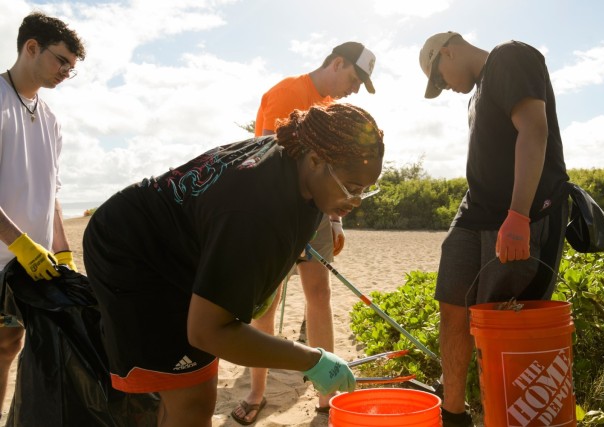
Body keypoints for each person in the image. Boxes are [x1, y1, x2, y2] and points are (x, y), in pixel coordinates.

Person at [82, 103, 385, 427]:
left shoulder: (300, 167)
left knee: (191, 392)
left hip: (182, 249)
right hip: (133, 256)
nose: (356, 201)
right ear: (314, 160)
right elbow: (208, 331)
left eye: (366, 190)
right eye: (351, 188)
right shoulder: (255, 210)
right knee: (192, 400)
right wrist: (312, 360)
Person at [418, 32, 570, 426]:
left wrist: (518, 215)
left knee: (502, 321)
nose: (444, 88)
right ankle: (453, 414)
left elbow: (534, 131)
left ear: (447, 52)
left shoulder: (510, 57)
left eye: (440, 78)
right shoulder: (476, 94)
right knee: (453, 308)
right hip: (475, 215)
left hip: (524, 215)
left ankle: (502, 417)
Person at [232, 41, 377, 424]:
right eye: (354, 77)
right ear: (337, 62)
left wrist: (334, 219)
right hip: (278, 213)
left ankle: (326, 396)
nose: (355, 88)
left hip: (319, 213)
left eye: (362, 84)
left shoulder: (336, 108)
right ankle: (257, 391)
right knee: (267, 303)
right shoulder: (288, 93)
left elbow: (338, 172)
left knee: (319, 294)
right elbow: (273, 160)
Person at [0, 11, 85, 414]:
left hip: (25, 266)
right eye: (61, 60)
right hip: (10, 253)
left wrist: (62, 249)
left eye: (72, 66)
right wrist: (21, 244)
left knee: (8, 345)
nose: (67, 72)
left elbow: (51, 191)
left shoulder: (51, 120)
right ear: (31, 47)